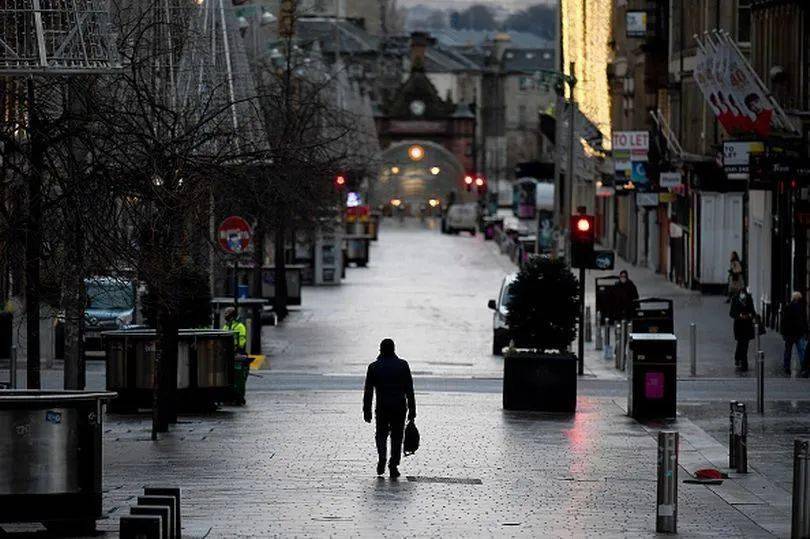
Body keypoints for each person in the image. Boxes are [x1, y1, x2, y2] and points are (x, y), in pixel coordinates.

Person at [363, 339, 416, 478]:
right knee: (397, 436)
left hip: (382, 407)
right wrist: (412, 410)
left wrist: (366, 410)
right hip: (399, 407)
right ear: (394, 349)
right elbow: (409, 389)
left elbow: (368, 391)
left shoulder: (374, 367)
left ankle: (382, 458)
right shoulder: (403, 365)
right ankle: (393, 464)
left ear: (380, 350)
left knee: (381, 434)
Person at [729, 288, 757, 373]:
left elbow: (752, 310)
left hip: (747, 325)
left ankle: (744, 364)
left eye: (743, 292)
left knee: (745, 344)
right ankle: (738, 358)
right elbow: (731, 313)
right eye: (741, 292)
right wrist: (739, 316)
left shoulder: (749, 298)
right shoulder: (734, 299)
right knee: (740, 343)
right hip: (739, 326)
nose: (742, 294)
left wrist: (751, 315)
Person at [781, 292, 807, 377]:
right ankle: (804, 367)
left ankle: (786, 367)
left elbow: (784, 322)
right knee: (801, 351)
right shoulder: (801, 308)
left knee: (788, 351)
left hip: (790, 333)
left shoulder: (788, 307)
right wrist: (805, 331)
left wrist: (783, 333)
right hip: (798, 333)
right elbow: (804, 321)